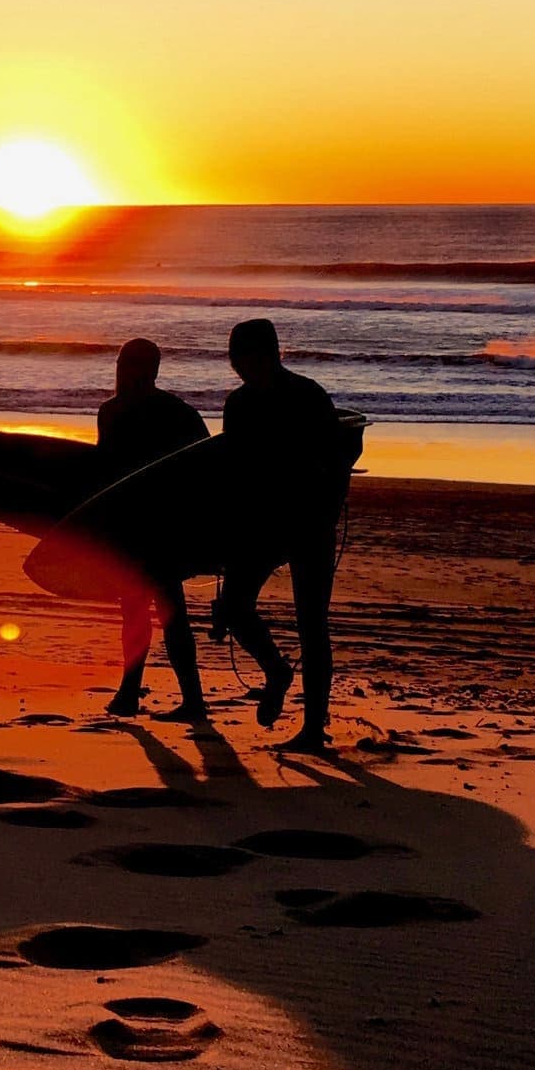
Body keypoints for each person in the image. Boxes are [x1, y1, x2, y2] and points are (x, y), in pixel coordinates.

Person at [212, 317, 352, 753]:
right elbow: (232, 472)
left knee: (312, 624)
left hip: (309, 522)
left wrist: (320, 509)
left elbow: (335, 461)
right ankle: (275, 671)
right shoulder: (237, 404)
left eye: (248, 357)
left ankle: (313, 730)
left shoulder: (308, 397)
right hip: (259, 524)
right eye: (236, 359)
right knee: (234, 608)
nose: (241, 366)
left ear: (272, 354)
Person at [95, 338, 210, 720]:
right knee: (145, 612)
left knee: (159, 612)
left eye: (130, 365)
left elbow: (104, 473)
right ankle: (145, 695)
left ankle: (176, 699)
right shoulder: (175, 413)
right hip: (149, 527)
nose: (127, 372)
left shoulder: (117, 412)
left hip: (154, 528)